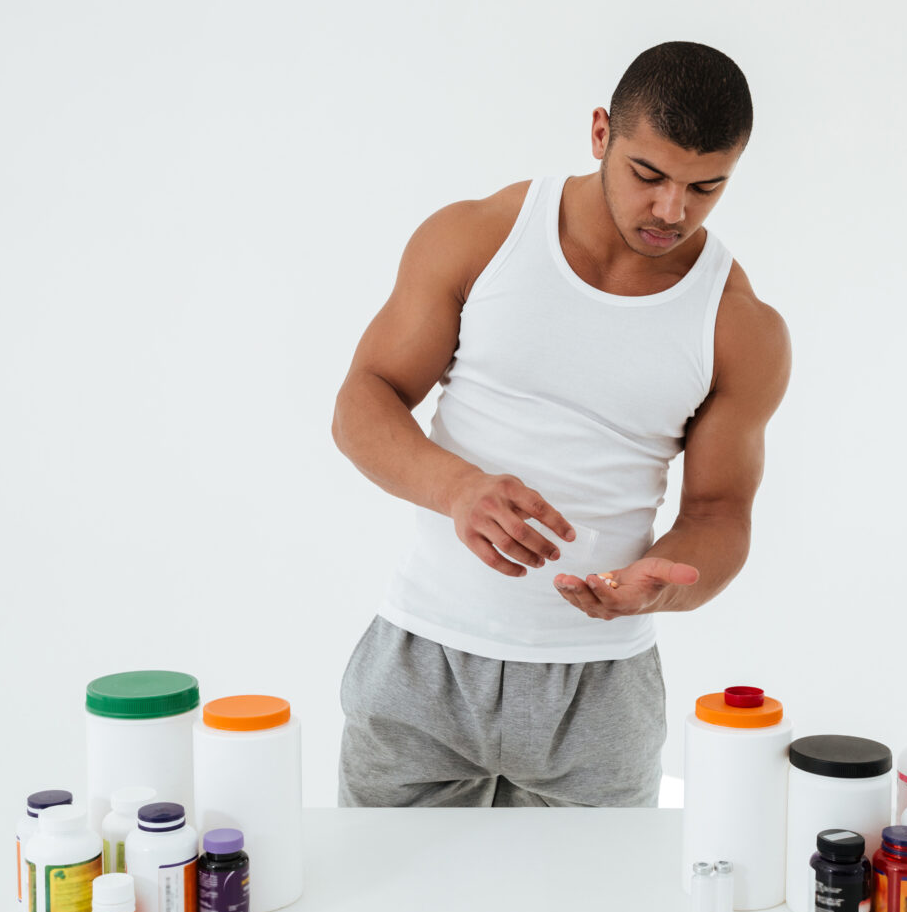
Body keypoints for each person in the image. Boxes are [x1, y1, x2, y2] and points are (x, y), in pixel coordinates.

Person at [331, 41, 791, 808]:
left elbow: (720, 513)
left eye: (705, 187)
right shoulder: (479, 236)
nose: (670, 210)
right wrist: (457, 489)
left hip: (601, 685)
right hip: (423, 658)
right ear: (600, 133)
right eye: (649, 175)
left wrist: (661, 585)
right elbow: (363, 400)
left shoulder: (740, 324)